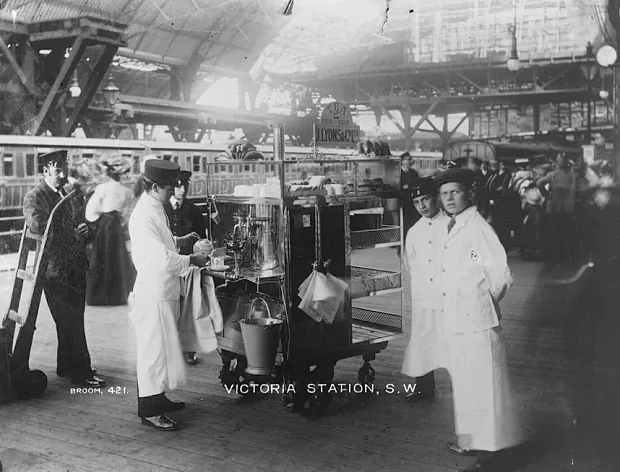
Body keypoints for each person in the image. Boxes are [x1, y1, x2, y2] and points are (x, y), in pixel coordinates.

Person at [436, 168, 522, 472]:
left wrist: (482, 301)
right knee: (466, 384)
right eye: (444, 193)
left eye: (455, 192)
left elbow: (500, 275)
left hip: (476, 322)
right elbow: (473, 265)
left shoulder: (478, 228)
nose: (449, 198)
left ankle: (488, 460)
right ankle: (471, 441)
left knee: (483, 387)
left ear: (469, 194)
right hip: (459, 321)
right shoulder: (455, 225)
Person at [128, 159, 209, 432]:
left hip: (165, 290)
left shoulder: (155, 207)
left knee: (163, 349)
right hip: (155, 293)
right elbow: (160, 259)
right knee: (153, 351)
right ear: (152, 186)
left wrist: (181, 241)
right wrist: (192, 260)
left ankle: (158, 397)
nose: (174, 190)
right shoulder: (143, 215)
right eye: (168, 186)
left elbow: (162, 242)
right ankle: (149, 410)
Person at [22, 150, 105, 388]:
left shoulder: (70, 194)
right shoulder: (34, 197)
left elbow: (88, 221)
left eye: (64, 169)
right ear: (45, 170)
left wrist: (87, 229)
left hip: (75, 268)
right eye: (57, 170)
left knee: (71, 318)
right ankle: (82, 373)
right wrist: (71, 233)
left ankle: (66, 365)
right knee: (71, 320)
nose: (62, 175)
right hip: (54, 271)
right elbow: (38, 227)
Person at [401, 177, 448, 402]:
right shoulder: (414, 232)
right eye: (416, 201)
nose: (422, 206)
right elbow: (410, 264)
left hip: (450, 294)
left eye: (425, 199)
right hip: (423, 295)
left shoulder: (453, 225)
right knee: (423, 338)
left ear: (436, 197)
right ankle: (424, 387)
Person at [163, 170, 207, 365]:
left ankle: (188, 349)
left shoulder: (194, 210)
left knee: (188, 308)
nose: (182, 190)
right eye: (178, 185)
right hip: (167, 268)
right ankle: (170, 349)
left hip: (189, 267)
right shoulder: (161, 208)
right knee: (169, 309)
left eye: (185, 185)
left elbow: (203, 239)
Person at [84, 158, 137, 306]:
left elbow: (91, 208)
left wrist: (97, 220)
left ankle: (99, 296)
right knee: (117, 259)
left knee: (101, 259)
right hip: (116, 227)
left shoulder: (102, 188)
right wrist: (121, 221)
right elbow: (130, 211)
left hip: (105, 226)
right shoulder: (128, 191)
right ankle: (117, 296)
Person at [536, 153, 576, 262]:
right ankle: (566, 258)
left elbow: (539, 183)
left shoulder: (552, 175)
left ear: (557, 164)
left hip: (554, 208)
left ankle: (554, 259)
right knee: (566, 234)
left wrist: (546, 194)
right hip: (568, 209)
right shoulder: (572, 175)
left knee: (554, 234)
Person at [400, 152, 421, 236]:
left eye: (410, 159)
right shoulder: (397, 173)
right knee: (403, 223)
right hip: (402, 202)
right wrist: (403, 187)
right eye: (408, 159)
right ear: (402, 161)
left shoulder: (413, 173)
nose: (410, 161)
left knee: (414, 222)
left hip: (413, 201)